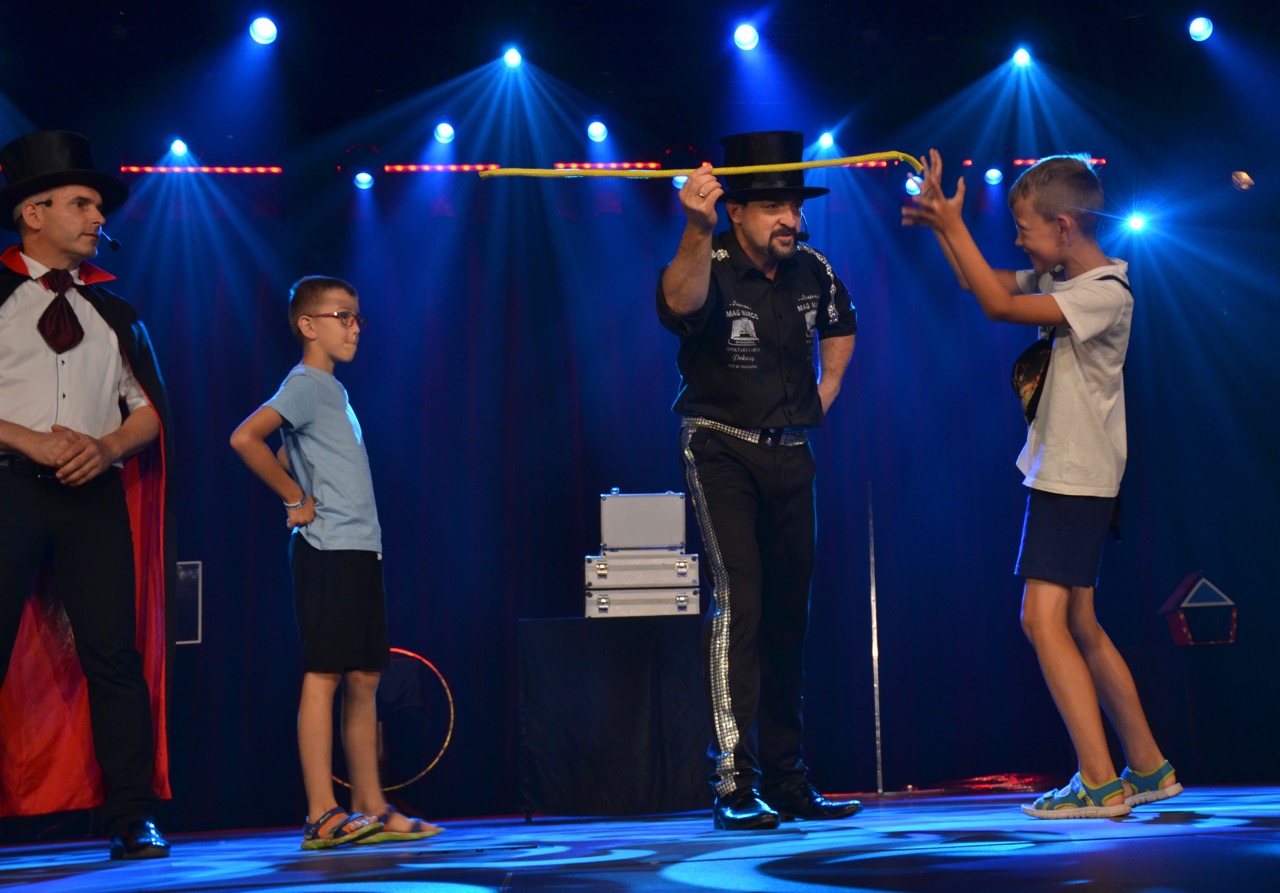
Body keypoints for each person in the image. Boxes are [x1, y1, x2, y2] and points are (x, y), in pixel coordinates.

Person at [903, 149, 1182, 818]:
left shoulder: (1103, 292)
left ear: (1063, 225)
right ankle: (1148, 765)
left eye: (1024, 228)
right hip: (1076, 474)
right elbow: (978, 281)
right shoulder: (1067, 277)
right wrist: (943, 225)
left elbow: (1000, 305)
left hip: (1073, 476)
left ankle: (1099, 781)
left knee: (1040, 619)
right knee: (1079, 620)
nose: (1019, 241)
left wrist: (954, 223)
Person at [657, 131, 863, 831]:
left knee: (787, 616)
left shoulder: (812, 267)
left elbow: (841, 324)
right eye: (774, 206)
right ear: (737, 210)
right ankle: (733, 781)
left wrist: (825, 391)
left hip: (791, 452)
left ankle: (788, 778)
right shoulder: (707, 258)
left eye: (795, 206)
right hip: (720, 447)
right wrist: (695, 227)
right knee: (738, 601)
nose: (791, 219)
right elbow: (680, 306)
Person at [0, 131, 173, 859]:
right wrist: (28, 439)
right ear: (33, 213)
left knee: (113, 655)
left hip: (92, 496)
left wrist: (104, 448)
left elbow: (150, 413)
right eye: (81, 203)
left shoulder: (115, 314)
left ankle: (132, 814)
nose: (98, 217)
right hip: (8, 487)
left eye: (98, 206)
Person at [230, 275, 443, 849]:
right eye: (342, 316)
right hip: (328, 549)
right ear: (308, 325)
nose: (354, 328)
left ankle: (370, 805)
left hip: (359, 547)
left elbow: (289, 449)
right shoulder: (304, 383)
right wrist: (294, 498)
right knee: (324, 673)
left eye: (357, 318)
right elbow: (246, 438)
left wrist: (297, 470)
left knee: (365, 676)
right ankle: (321, 812)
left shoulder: (331, 390)